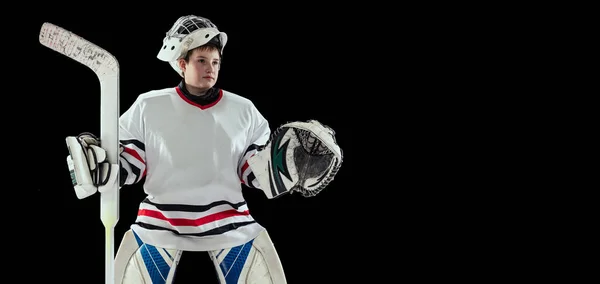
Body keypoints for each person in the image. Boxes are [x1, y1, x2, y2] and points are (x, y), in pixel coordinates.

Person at [65, 15, 342, 284]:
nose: (210, 68)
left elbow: (251, 171)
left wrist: (284, 168)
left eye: (215, 62)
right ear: (181, 63)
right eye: (201, 61)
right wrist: (103, 169)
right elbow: (132, 165)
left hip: (233, 227)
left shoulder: (244, 110)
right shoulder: (148, 106)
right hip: (159, 226)